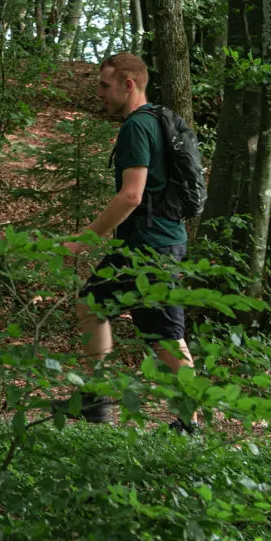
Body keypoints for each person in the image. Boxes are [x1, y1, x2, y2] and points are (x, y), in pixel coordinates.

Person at [62, 52, 194, 426]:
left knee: (166, 336)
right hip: (147, 244)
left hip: (151, 248)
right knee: (92, 303)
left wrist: (86, 239)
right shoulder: (155, 120)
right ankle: (95, 399)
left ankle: (190, 423)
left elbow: (131, 195)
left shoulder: (138, 126)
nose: (100, 93)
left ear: (128, 84)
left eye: (105, 86)